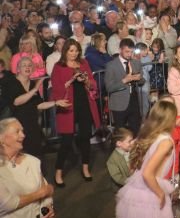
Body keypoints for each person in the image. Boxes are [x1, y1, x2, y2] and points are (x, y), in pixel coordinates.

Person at [115, 101, 179, 218]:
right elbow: (147, 173)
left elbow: (133, 168)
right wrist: (160, 193)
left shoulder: (147, 136)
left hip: (135, 193)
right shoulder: (166, 141)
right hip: (151, 194)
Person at [49, 39, 102, 186]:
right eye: (71, 50)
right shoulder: (58, 66)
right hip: (68, 106)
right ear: (65, 51)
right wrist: (71, 80)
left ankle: (85, 167)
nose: (74, 53)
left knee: (85, 137)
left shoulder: (84, 63)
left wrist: (86, 80)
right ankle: (58, 171)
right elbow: (56, 89)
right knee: (66, 141)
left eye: (76, 50)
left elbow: (93, 84)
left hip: (85, 104)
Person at [0, 117, 56, 218]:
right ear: (2, 138)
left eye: (23, 131)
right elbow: (8, 203)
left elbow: (46, 193)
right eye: (17, 131)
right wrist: (40, 193)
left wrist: (48, 208)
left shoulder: (32, 161)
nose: (23, 135)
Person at [2, 57, 64, 160]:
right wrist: (34, 89)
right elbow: (17, 101)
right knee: (18, 158)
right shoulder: (11, 82)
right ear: (18, 69)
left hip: (32, 126)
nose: (27, 67)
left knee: (36, 158)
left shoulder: (31, 84)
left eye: (30, 65)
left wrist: (55, 102)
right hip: (16, 127)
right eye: (24, 65)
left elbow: (38, 105)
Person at [105, 38, 146, 133]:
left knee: (136, 131)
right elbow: (109, 87)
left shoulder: (136, 63)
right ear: (120, 50)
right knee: (120, 134)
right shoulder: (111, 65)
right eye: (127, 51)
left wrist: (139, 79)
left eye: (131, 52)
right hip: (118, 104)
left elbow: (142, 81)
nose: (129, 54)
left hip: (134, 101)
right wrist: (124, 80)